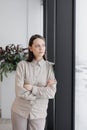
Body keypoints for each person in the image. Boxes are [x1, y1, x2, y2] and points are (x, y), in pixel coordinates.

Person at [11, 34, 57, 130]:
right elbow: (19, 91)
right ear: (30, 48)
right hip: (19, 110)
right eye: (37, 46)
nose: (41, 48)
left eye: (43, 45)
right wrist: (42, 92)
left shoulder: (50, 67)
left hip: (39, 112)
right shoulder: (22, 65)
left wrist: (32, 88)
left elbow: (51, 93)